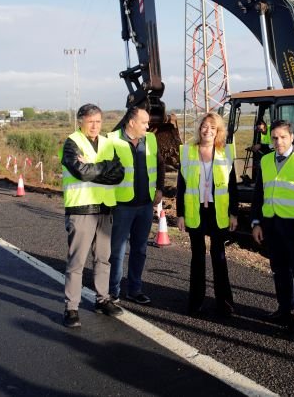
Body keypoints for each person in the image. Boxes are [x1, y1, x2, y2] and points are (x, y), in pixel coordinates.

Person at [251, 120, 294, 334]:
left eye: (283, 137)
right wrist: (256, 222)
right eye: (274, 138)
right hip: (272, 225)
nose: (278, 141)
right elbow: (259, 194)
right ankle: (286, 309)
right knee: (279, 270)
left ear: (291, 138)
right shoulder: (265, 161)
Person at [60, 103, 124, 328]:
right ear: (80, 121)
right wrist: (104, 168)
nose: (95, 126)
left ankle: (102, 299)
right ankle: (71, 308)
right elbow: (79, 171)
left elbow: (118, 175)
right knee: (76, 262)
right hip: (82, 209)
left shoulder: (107, 143)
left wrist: (97, 166)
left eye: (98, 121)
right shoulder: (72, 143)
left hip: (105, 208)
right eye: (90, 122)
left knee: (103, 258)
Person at [177, 112, 239, 316]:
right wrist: (180, 214)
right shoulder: (187, 152)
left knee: (219, 258)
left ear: (219, 131)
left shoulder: (225, 153)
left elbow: (232, 187)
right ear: (199, 129)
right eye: (205, 126)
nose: (208, 131)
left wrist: (233, 213)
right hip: (195, 211)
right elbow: (181, 185)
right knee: (197, 258)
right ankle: (195, 302)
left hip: (217, 212)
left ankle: (225, 303)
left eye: (213, 128)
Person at [107, 107, 165, 305]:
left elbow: (160, 164)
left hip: (145, 205)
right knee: (117, 251)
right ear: (131, 122)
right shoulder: (112, 140)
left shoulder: (150, 139)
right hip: (121, 206)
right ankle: (112, 292)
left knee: (140, 250)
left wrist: (160, 188)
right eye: (144, 122)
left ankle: (134, 289)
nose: (148, 126)